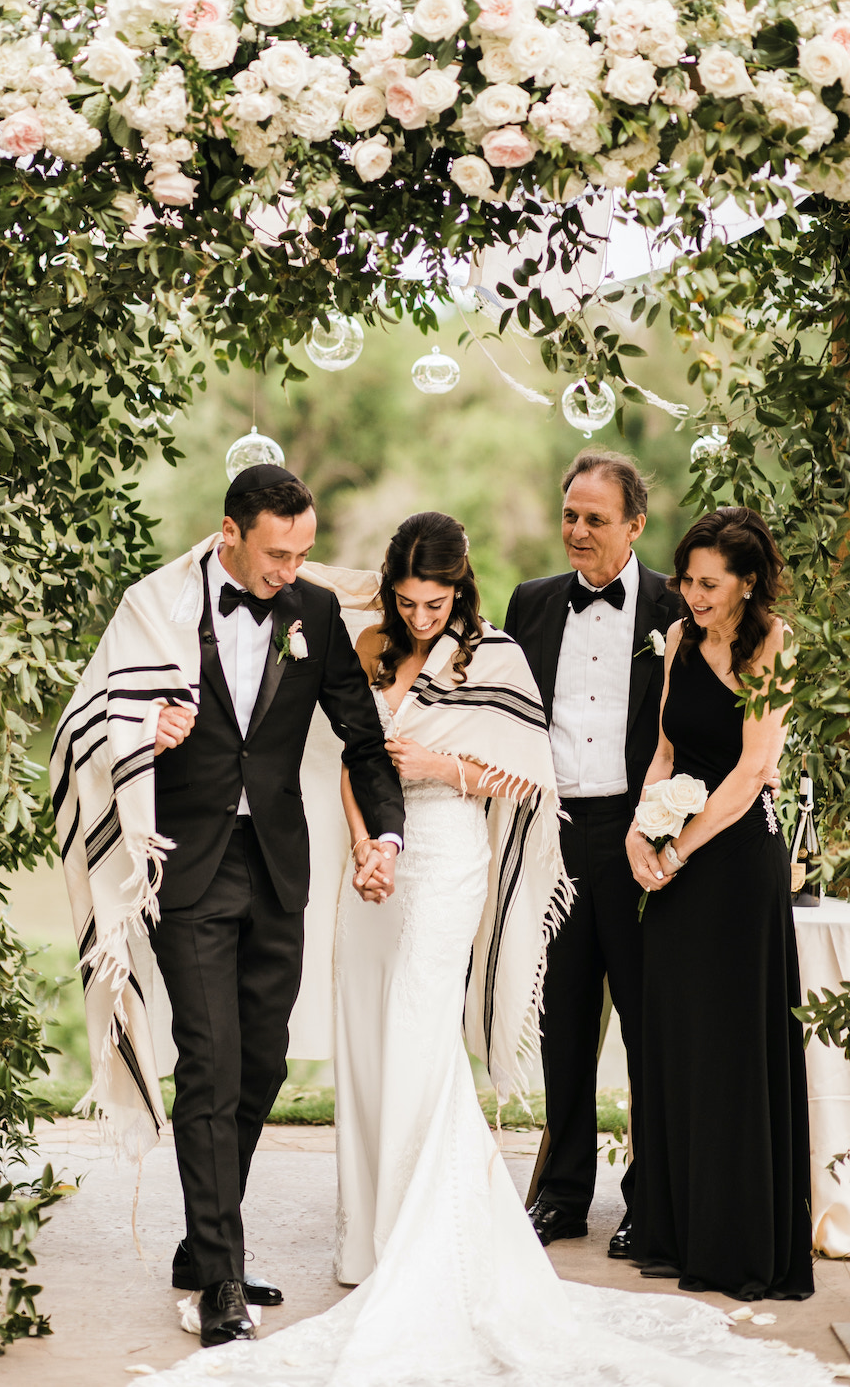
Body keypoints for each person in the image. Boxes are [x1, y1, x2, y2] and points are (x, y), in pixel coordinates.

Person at [143, 511, 831, 1387]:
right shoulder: (367, 649)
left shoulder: (494, 655)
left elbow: (529, 772)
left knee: (419, 1034)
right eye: (407, 600)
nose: (422, 615)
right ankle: (368, 1238)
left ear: (458, 590)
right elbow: (360, 754)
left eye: (436, 601)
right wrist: (368, 841)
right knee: (365, 1040)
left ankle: (424, 1237)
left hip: (453, 854)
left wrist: (441, 770)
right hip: (378, 866)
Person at [50, 465, 404, 1349]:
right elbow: (94, 716)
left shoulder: (314, 615)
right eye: (278, 553)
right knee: (209, 1062)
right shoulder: (156, 608)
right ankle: (218, 1275)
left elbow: (362, 738)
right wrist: (146, 733)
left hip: (277, 863)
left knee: (263, 1066)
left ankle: (207, 1235)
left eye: (304, 552)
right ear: (229, 533)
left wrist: (385, 835)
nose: (291, 569)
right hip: (188, 859)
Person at [626, 506, 814, 1300]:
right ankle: (674, 1228)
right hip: (674, 859)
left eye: (709, 585)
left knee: (734, 1050)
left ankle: (737, 1242)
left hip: (735, 865)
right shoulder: (674, 641)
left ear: (746, 583)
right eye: (687, 581)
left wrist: (677, 846)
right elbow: (667, 747)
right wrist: (640, 833)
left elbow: (751, 771)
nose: (692, 596)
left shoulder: (773, 645)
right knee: (677, 1040)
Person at [504, 450, 677, 1259]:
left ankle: (652, 1199)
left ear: (634, 526)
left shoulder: (678, 612)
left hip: (642, 841)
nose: (576, 531)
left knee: (650, 1028)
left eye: (594, 519)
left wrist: (666, 826)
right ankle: (564, 1193)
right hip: (555, 836)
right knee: (563, 1024)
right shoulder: (532, 605)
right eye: (569, 515)